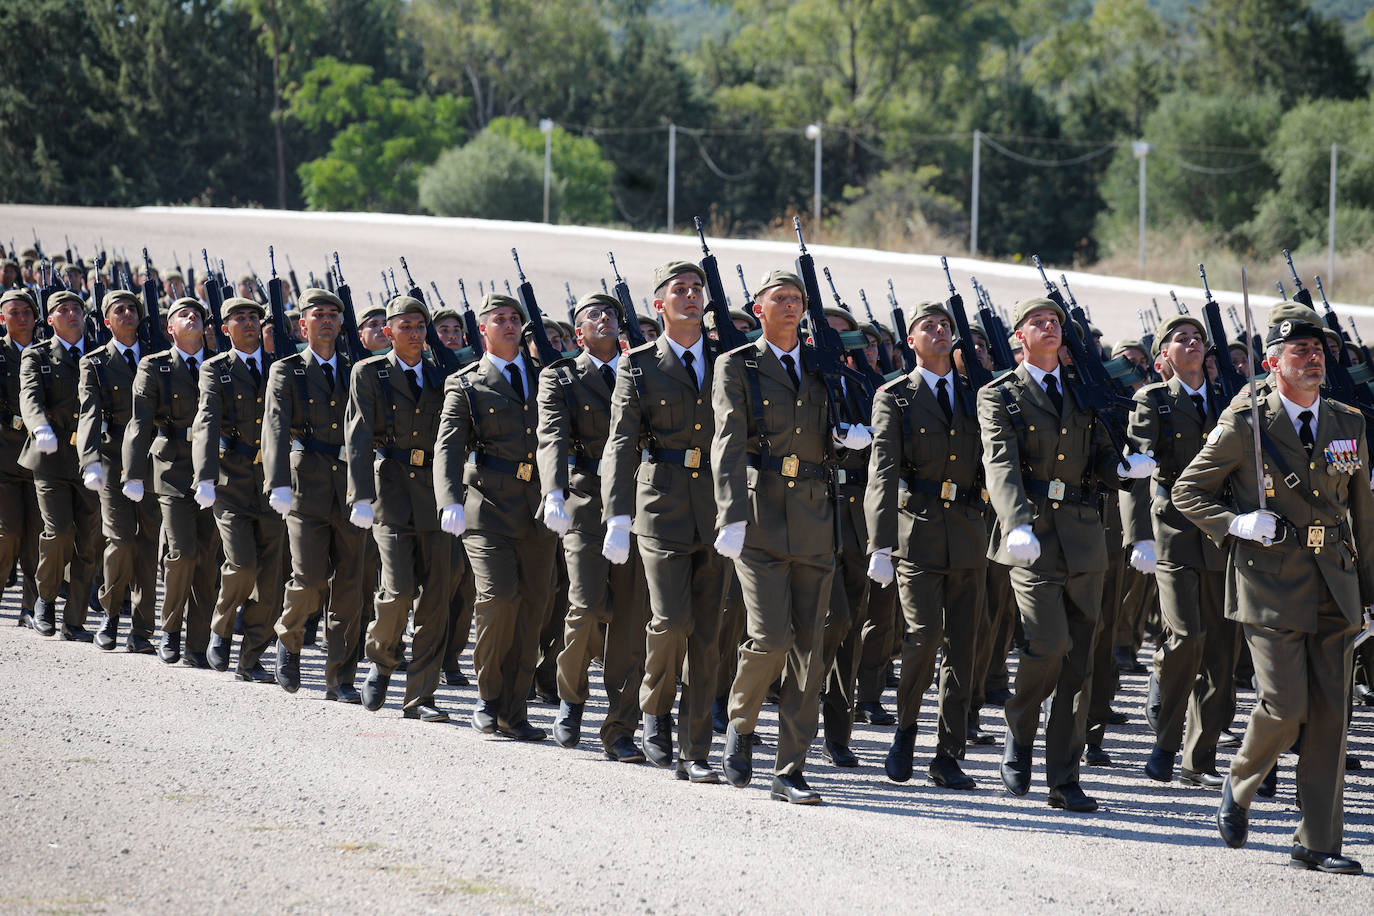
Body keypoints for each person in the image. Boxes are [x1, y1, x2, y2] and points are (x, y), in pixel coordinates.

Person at [1176, 310, 1371, 875]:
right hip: (1270, 582)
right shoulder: (1246, 422)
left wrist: (1371, 596)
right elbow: (1190, 490)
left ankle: (1317, 841)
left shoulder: (1347, 421)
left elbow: (1363, 512)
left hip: (1335, 581)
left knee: (1334, 714)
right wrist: (1236, 523)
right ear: (1272, 362)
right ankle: (1241, 781)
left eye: (1319, 349)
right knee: (1286, 708)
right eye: (1301, 349)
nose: (1314, 358)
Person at [977, 296, 1154, 813]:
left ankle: (1064, 776)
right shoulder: (1001, 395)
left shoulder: (1083, 392)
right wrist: (1015, 522)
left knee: (1080, 663)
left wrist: (1121, 471)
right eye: (1038, 322)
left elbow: (1099, 455)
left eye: (1055, 322)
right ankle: (1020, 729)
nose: (1050, 328)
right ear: (1018, 337)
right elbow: (1000, 463)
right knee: (1047, 644)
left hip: (1084, 538)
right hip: (1032, 538)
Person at [712, 269, 871, 805]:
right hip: (759, 517)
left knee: (811, 645)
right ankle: (741, 720)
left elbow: (838, 433)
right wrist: (730, 514)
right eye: (778, 299)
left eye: (796, 299)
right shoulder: (737, 365)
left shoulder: (823, 367)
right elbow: (728, 443)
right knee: (771, 637)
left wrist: (851, 439)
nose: (789, 306)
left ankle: (790, 767)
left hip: (815, 518)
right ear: (759, 309)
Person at [601, 260, 730, 779]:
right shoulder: (638, 366)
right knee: (671, 621)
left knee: (707, 634)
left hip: (718, 511)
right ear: (659, 304)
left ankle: (694, 750)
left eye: (697, 288)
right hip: (660, 508)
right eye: (680, 289)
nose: (692, 296)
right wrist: (617, 513)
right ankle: (654, 713)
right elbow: (621, 443)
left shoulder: (728, 361)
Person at [866, 299, 986, 790]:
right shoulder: (894, 396)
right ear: (909, 342)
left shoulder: (978, 395)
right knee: (922, 638)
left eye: (944, 326)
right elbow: (882, 472)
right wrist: (880, 544)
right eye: (927, 327)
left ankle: (947, 751)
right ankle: (906, 732)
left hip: (969, 532)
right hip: (916, 531)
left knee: (964, 647)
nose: (938, 332)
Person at [536, 292, 650, 761]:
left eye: (610, 314)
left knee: (630, 620)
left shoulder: (642, 369)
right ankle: (571, 696)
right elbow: (551, 437)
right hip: (586, 501)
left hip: (640, 502)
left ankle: (621, 725)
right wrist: (553, 492)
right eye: (592, 316)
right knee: (584, 607)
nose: (603, 320)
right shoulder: (560, 376)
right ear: (577, 331)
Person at [434, 293, 553, 740]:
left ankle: (514, 709)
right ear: (481, 329)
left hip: (539, 510)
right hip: (487, 508)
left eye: (514, 319)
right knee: (499, 598)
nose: (508, 325)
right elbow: (448, 446)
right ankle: (487, 698)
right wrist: (448, 499)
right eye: (498, 319)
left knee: (533, 610)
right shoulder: (465, 383)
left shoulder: (546, 379)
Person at [1122, 315, 1233, 787]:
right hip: (1174, 534)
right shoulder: (1154, 401)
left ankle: (1199, 756)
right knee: (1187, 638)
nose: (1190, 343)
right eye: (1179, 339)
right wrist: (1138, 535)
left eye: (1197, 339)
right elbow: (1135, 468)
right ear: (1163, 354)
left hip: (1224, 537)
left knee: (1223, 652)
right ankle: (1166, 742)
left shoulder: (1231, 402)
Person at [345, 295, 454, 721]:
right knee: (399, 590)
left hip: (432, 494)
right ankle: (382, 658)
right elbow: (358, 435)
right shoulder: (369, 373)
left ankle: (421, 696)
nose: (414, 333)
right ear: (387, 332)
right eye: (405, 326)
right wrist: (360, 495)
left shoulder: (441, 376)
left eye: (419, 326)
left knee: (437, 598)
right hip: (388, 489)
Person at [264, 288, 364, 701]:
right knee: (307, 579)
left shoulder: (357, 369)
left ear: (341, 325)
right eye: (317, 314)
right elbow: (274, 426)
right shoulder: (286, 371)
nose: (325, 320)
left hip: (351, 488)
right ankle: (288, 641)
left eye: (332, 314)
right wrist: (278, 482)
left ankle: (339, 678)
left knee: (351, 586)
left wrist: (367, 490)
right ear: (302, 326)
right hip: (305, 486)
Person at [122, 298, 222, 667]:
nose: (192, 316)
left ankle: (197, 644)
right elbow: (140, 423)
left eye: (197, 313)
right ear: (170, 328)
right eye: (183, 314)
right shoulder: (155, 366)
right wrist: (132, 473)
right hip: (172, 467)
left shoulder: (220, 365)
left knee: (209, 558)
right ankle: (169, 629)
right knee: (182, 553)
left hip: (214, 469)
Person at [191, 296, 284, 681]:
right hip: (231, 481)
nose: (248, 324)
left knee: (272, 578)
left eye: (253, 318)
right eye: (238, 319)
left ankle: (251, 658)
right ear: (225, 329)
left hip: (274, 484)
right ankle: (221, 626)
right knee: (243, 565)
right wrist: (205, 475)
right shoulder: (215, 369)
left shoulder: (281, 368)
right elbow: (207, 421)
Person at [18, 290, 104, 641]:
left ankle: (75, 620)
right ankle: (46, 598)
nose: (71, 314)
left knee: (88, 541)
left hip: (91, 460)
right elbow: (30, 396)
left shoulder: (99, 356)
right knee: (59, 532)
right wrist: (39, 427)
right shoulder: (36, 355)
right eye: (62, 310)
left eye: (76, 309)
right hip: (50, 457)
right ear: (50, 320)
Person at [76, 289, 158, 653]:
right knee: (120, 539)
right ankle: (110, 614)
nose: (127, 314)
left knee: (148, 545)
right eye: (118, 310)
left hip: (153, 460)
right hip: (112, 459)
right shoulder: (93, 363)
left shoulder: (157, 359)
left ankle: (141, 630)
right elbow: (89, 413)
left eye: (131, 309)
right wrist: (89, 459)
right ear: (106, 321)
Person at [0, 289, 40, 626]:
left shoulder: (44, 354)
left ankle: (32, 607)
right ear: (3, 318)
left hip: (42, 460)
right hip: (4, 458)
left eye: (28, 311)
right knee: (8, 533)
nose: (23, 317)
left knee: (37, 539)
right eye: (15, 312)